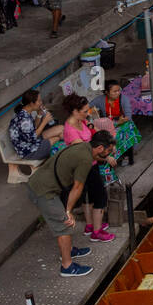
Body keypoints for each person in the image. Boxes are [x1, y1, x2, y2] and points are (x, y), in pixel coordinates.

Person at [24, 131, 115, 276]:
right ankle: (67, 266)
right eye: (108, 151)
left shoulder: (83, 146)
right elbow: (77, 187)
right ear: (99, 148)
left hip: (43, 183)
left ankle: (69, 250)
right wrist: (68, 211)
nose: (109, 154)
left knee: (64, 221)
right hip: (43, 190)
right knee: (65, 225)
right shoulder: (85, 159)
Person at [61, 94, 116, 241]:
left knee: (89, 196)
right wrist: (105, 156)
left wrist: (107, 145)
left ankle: (90, 225)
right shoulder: (71, 131)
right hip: (84, 166)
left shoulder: (82, 121)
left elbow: (93, 134)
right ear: (74, 111)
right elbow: (85, 153)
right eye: (85, 111)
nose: (88, 114)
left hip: (91, 164)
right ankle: (97, 232)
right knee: (100, 196)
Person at [8, 88, 63, 161]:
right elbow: (32, 137)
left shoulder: (24, 111)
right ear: (31, 103)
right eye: (39, 101)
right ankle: (63, 157)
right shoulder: (24, 120)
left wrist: (39, 115)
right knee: (58, 138)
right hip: (29, 151)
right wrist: (44, 122)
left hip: (33, 141)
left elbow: (33, 127)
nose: (41, 103)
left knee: (61, 128)